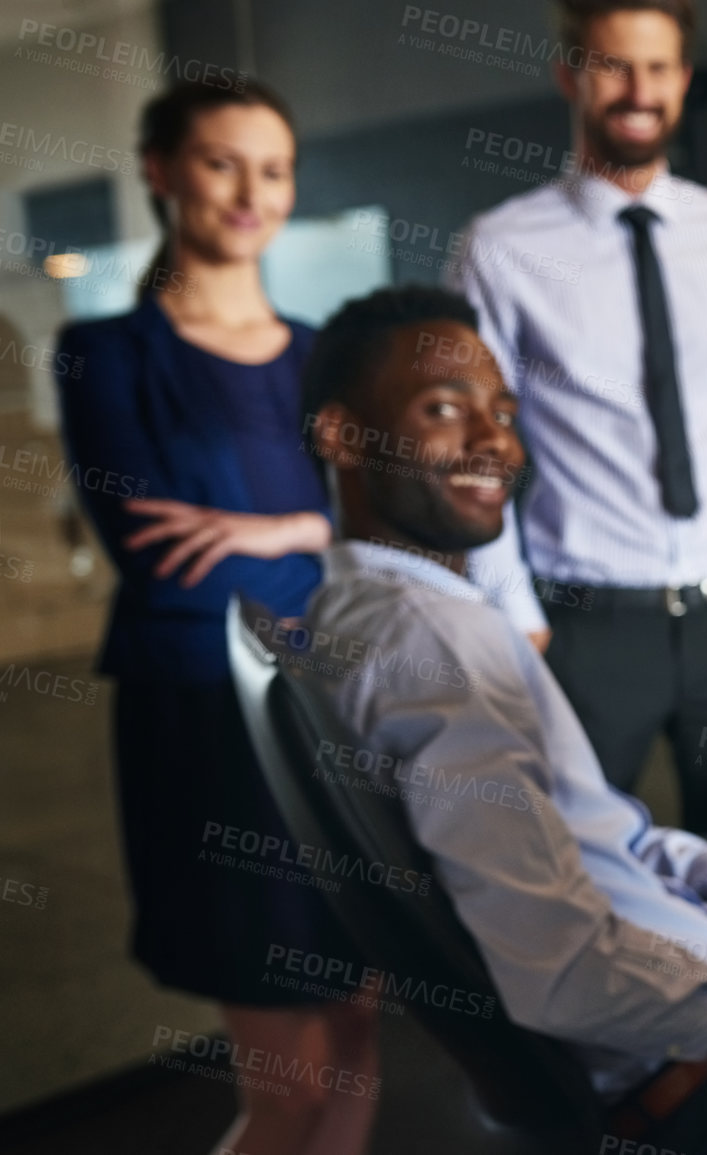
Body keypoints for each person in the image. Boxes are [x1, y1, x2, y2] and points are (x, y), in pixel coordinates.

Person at [298, 286, 707, 1153]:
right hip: (698, 1083)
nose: (494, 440)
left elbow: (592, 838)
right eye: (444, 408)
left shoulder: (370, 609)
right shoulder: (434, 646)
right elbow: (561, 969)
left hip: (681, 979)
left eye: (504, 411)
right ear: (340, 435)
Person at [52, 80, 377, 1155]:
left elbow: (385, 539)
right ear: (160, 170)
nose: (251, 192)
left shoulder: (326, 352)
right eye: (220, 162)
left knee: (362, 1034)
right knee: (286, 1080)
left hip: (341, 716)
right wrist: (318, 527)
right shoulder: (108, 351)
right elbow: (167, 562)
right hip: (210, 724)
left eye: (274, 168)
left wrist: (280, 533)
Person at [447, 0, 707, 834]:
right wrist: (519, 620)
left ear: (683, 80)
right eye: (613, 65)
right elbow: (476, 449)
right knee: (570, 865)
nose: (637, 89)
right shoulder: (499, 247)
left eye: (656, 67)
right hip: (583, 628)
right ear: (569, 75)